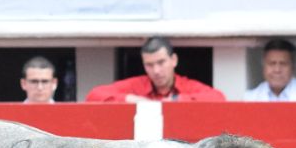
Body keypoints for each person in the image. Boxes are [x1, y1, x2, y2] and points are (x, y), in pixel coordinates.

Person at [85, 37, 225, 102]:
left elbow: (219, 98)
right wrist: (130, 99)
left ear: (174, 60)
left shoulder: (187, 86)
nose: (156, 71)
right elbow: (93, 95)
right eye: (149, 65)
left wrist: (177, 100)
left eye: (161, 62)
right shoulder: (136, 85)